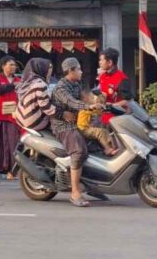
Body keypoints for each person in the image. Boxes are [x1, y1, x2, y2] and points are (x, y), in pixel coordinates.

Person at [50, 58, 100, 208]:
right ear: (70, 71)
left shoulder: (76, 84)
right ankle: (75, 192)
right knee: (79, 151)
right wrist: (88, 107)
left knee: (99, 141)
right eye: (78, 69)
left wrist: (100, 102)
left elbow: (86, 96)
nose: (81, 71)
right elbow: (71, 102)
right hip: (63, 125)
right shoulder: (60, 88)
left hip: (77, 122)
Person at [0, 55, 20, 181]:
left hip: (13, 116)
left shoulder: (19, 79)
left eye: (14, 65)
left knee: (13, 142)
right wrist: (13, 86)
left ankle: (12, 170)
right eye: (10, 64)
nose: (13, 67)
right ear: (3, 66)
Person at [14, 58, 55, 133]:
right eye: (48, 69)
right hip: (32, 122)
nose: (50, 72)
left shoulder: (26, 81)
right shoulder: (40, 84)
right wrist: (61, 113)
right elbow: (45, 106)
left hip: (20, 120)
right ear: (41, 69)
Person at [97, 48, 132, 127]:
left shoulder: (122, 79)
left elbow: (128, 101)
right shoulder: (102, 76)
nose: (100, 62)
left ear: (109, 62)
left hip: (118, 121)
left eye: (101, 60)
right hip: (103, 119)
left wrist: (111, 106)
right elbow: (102, 94)